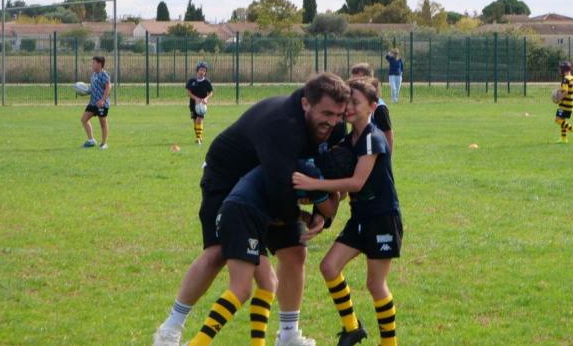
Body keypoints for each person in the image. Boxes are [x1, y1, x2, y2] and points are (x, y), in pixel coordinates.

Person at [153, 72, 351, 346]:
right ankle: (169, 330)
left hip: (269, 180)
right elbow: (278, 189)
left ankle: (289, 335)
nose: (332, 122)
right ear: (306, 103)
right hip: (228, 178)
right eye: (327, 113)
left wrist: (320, 214)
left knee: (295, 252)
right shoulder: (283, 124)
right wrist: (301, 215)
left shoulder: (333, 125)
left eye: (339, 115)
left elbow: (327, 172)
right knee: (217, 252)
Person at [185, 147, 355, 346]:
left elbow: (276, 212)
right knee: (241, 289)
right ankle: (197, 343)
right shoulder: (312, 176)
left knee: (268, 283)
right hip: (241, 217)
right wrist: (328, 197)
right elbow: (327, 208)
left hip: (240, 212)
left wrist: (303, 214)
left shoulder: (305, 169)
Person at [293, 78, 403, 346]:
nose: (349, 107)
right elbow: (340, 180)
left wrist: (313, 185)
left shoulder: (372, 138)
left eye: (356, 102)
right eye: (348, 101)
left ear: (372, 107)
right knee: (329, 266)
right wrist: (320, 209)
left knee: (375, 285)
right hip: (360, 217)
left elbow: (356, 182)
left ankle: (389, 344)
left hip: (382, 218)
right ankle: (352, 328)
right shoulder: (346, 138)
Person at [350, 63, 394, 153]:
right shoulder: (354, 105)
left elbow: (388, 134)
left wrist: (388, 158)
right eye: (353, 81)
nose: (354, 85)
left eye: (359, 80)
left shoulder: (379, 107)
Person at [81, 56, 111, 149]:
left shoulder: (104, 75)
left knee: (103, 123)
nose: (92, 64)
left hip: (102, 104)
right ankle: (91, 140)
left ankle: (104, 143)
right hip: (93, 103)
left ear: (99, 64)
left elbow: (108, 88)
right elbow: (93, 88)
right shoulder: (93, 75)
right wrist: (84, 91)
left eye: (93, 62)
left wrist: (102, 100)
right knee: (84, 119)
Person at [186, 62, 214, 145]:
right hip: (193, 104)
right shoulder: (192, 81)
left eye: (204, 71)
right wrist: (196, 98)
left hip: (202, 104)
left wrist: (206, 99)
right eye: (201, 70)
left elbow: (211, 92)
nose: (202, 72)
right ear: (197, 71)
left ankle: (198, 139)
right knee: (195, 121)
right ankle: (198, 136)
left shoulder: (206, 82)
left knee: (199, 120)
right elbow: (188, 93)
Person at [554, 61, 573, 143]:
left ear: (563, 70)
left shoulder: (565, 80)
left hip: (564, 105)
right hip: (570, 104)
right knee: (563, 120)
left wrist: (559, 98)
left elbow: (565, 91)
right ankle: (563, 139)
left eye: (561, 69)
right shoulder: (572, 78)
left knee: (557, 120)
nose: (560, 71)